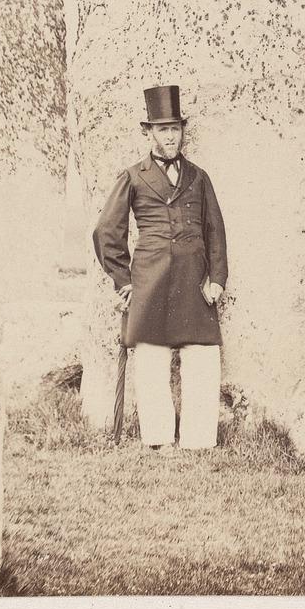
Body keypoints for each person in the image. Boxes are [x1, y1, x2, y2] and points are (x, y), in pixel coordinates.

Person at [92, 84, 229, 449]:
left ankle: (198, 441)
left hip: (193, 281)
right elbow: (107, 231)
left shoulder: (199, 177)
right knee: (151, 360)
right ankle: (157, 440)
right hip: (149, 279)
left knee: (201, 355)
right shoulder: (133, 177)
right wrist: (123, 281)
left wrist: (217, 278)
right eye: (163, 129)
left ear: (182, 131)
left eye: (175, 129)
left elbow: (215, 229)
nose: (170, 136)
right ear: (148, 132)